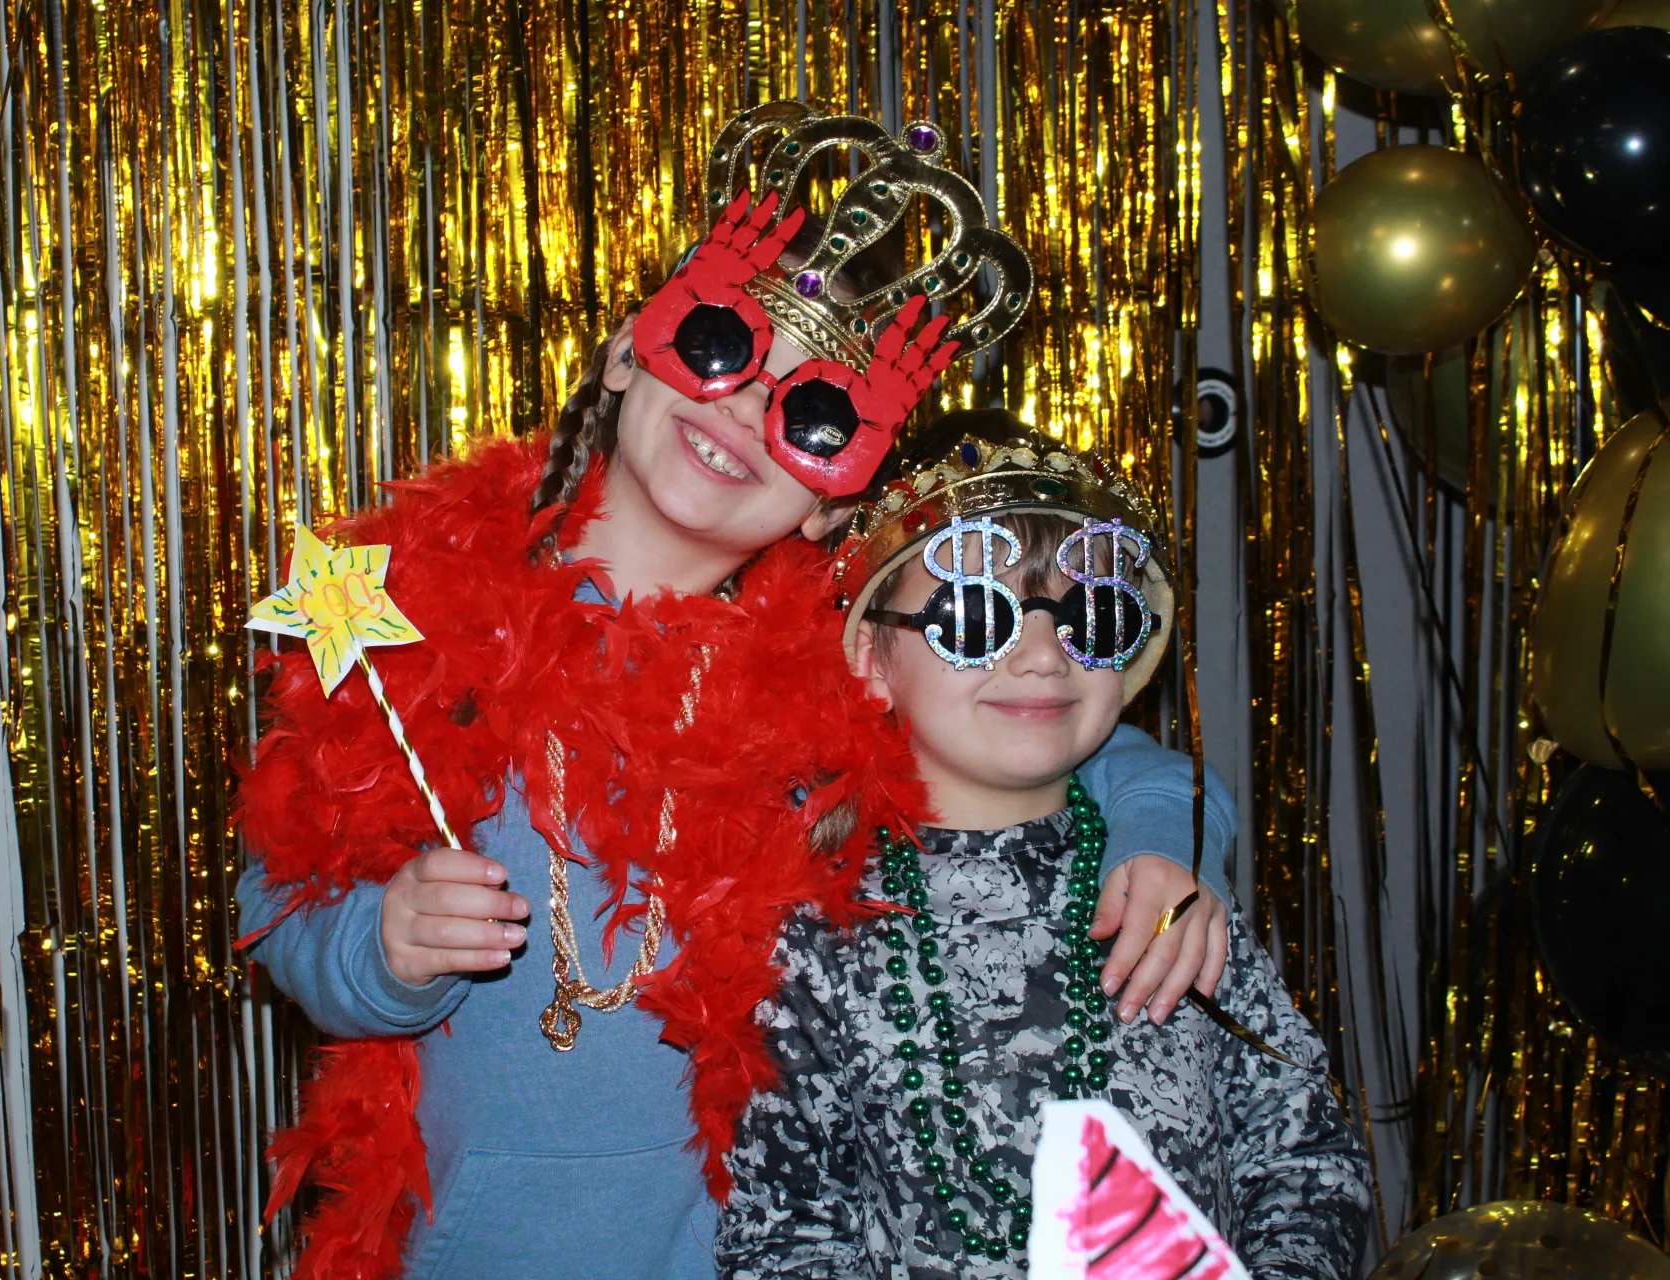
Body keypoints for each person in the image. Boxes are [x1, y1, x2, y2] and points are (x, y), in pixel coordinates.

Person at [235, 105, 1238, 1280]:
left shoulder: (845, 661)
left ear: (830, 501)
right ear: (626, 351)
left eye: (814, 416)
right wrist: (385, 945)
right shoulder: (414, 614)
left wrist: (1164, 852)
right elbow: (283, 885)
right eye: (720, 345)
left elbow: (1089, 731)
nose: (743, 412)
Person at [715, 413, 1374, 1280]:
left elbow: (1307, 1156)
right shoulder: (814, 929)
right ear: (873, 657)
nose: (1040, 656)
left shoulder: (1165, 893)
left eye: (1089, 615)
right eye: (972, 615)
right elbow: (784, 1231)